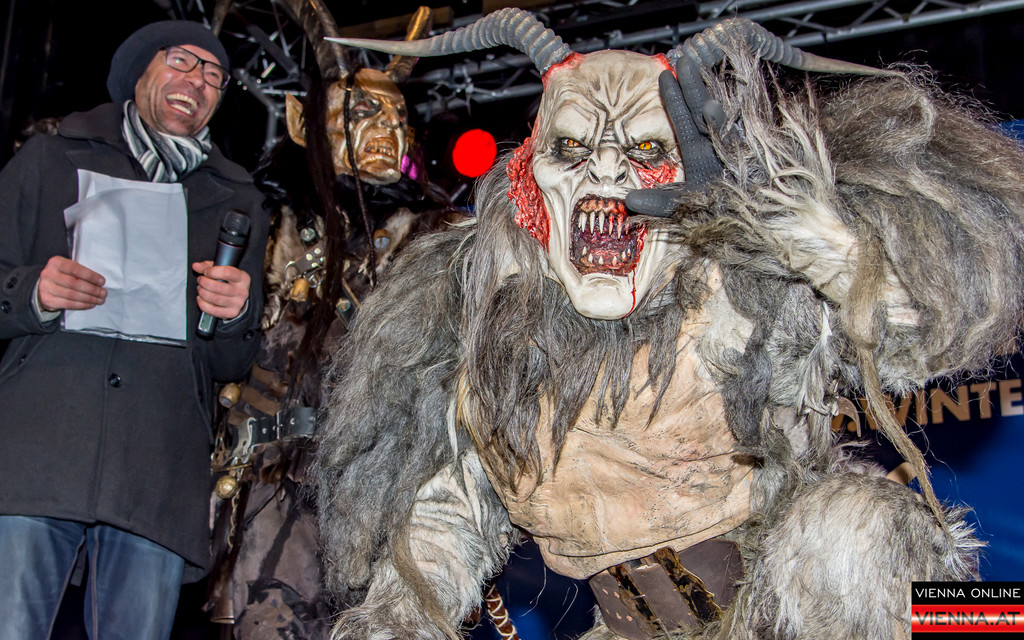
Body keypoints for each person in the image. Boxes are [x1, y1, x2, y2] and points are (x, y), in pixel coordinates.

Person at [312, 9, 1024, 640]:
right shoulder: (491, 329)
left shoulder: (740, 283)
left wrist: (820, 248)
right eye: (573, 149)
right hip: (631, 626)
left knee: (852, 535)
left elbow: (930, 330)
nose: (606, 172)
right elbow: (452, 509)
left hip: (806, 605)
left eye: (647, 152)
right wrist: (398, 615)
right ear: (529, 178)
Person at [0, 20, 268, 640]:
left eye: (213, 76)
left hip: (157, 469)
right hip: (40, 447)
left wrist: (236, 313)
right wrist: (32, 291)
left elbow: (231, 364)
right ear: (139, 72)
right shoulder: (49, 159)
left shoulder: (239, 202)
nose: (197, 81)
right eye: (181, 62)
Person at [204, 4, 452, 638]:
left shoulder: (436, 241)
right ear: (299, 121)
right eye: (363, 112)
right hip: (273, 485)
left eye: (397, 117)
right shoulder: (267, 224)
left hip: (390, 492)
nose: (386, 129)